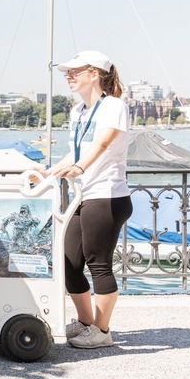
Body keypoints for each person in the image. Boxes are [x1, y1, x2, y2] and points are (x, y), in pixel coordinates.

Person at [31, 50, 131, 349]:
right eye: (67, 72)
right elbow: (76, 151)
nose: (69, 76)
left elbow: (102, 142)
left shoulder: (113, 106)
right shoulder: (78, 111)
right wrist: (49, 173)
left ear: (94, 74)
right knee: (66, 261)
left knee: (98, 264)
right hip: (83, 194)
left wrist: (79, 168)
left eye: (75, 71)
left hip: (107, 195)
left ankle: (102, 331)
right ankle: (86, 322)